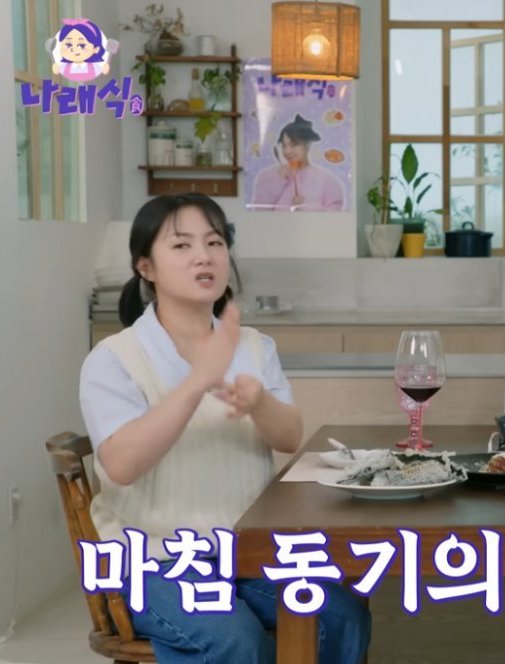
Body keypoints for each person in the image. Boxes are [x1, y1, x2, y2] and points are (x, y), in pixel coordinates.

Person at [79, 193, 370, 663]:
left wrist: (257, 402)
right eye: (181, 245)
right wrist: (198, 380)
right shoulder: (114, 359)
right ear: (145, 267)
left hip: (246, 552)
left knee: (340, 614)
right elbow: (121, 465)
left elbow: (289, 437)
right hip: (153, 559)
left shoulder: (254, 346)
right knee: (235, 637)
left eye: (214, 242)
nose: (204, 255)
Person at [250, 114, 346, 211]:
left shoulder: (328, 181)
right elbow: (260, 210)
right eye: (284, 145)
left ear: (308, 145)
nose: (287, 151)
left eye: (293, 145)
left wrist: (304, 208)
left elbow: (333, 214)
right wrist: (279, 180)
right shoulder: (268, 176)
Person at [50, 18, 112, 83]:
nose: (75, 49)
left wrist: (104, 69)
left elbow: (101, 70)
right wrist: (56, 69)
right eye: (68, 45)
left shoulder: (94, 68)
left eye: (82, 45)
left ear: (96, 49)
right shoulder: (64, 67)